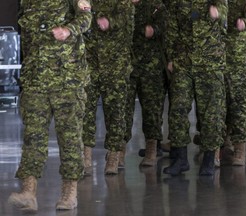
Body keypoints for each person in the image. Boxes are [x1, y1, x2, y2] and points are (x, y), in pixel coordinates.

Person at [8, 0, 92, 211]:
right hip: (36, 80)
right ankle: (29, 192)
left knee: (70, 137)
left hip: (67, 79)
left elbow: (86, 18)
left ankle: (70, 192)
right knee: (32, 137)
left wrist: (68, 30)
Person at [164, 0, 228, 176]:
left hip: (210, 62)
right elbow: (171, 28)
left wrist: (218, 11)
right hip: (183, 62)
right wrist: (170, 57)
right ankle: (180, 159)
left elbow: (223, 11)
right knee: (177, 108)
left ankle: (209, 158)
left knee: (211, 113)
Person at [82, 0, 135, 175]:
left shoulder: (123, 3)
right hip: (91, 62)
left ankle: (113, 155)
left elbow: (124, 19)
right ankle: (86, 156)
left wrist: (106, 20)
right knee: (85, 110)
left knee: (116, 112)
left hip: (116, 64)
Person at [124, 0, 168, 167]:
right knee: (123, 110)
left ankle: (151, 149)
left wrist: (153, 30)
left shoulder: (155, 6)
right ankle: (118, 151)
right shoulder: (122, 6)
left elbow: (164, 26)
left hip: (151, 67)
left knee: (152, 110)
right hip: (128, 66)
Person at [223, 0, 246, 166]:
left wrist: (245, 22)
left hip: (240, 62)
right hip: (218, 60)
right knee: (218, 107)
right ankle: (218, 146)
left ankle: (240, 148)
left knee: (240, 106)